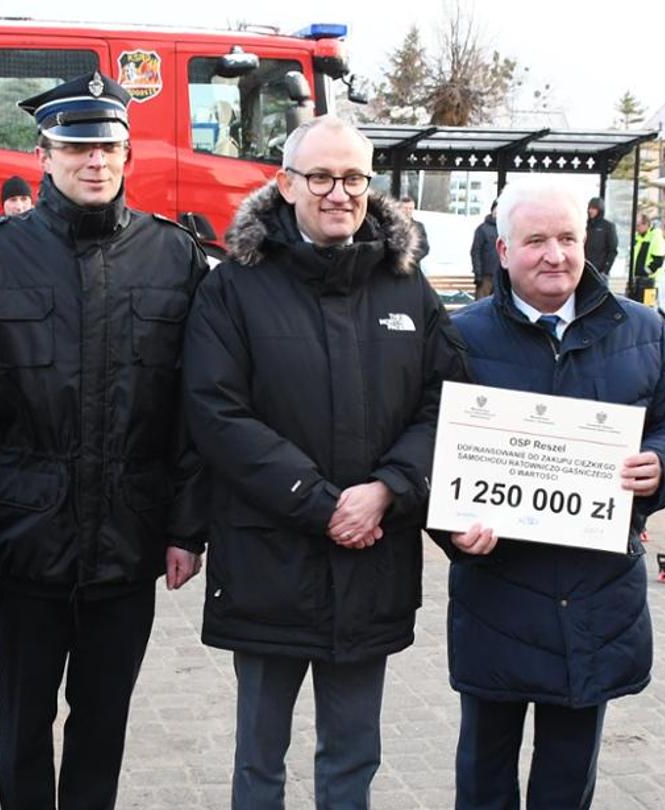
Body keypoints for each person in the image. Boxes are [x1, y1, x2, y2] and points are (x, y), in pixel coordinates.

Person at [183, 115, 466, 809]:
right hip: (269, 562)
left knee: (352, 757)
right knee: (259, 761)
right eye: (320, 177)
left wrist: (390, 489)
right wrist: (321, 502)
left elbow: (446, 398)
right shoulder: (235, 286)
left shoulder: (407, 287)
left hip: (372, 562)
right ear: (285, 184)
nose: (338, 192)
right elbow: (215, 410)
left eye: (353, 178)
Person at [0, 71, 208, 810]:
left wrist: (187, 526)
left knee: (104, 724)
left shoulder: (174, 256)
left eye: (109, 147)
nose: (95, 162)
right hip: (22, 544)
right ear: (44, 153)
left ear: (128, 155)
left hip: (127, 545)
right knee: (23, 724)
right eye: (77, 147)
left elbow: (195, 406)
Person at [446, 182, 665, 809]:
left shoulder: (643, 330)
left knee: (569, 775)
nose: (555, 255)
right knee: (484, 771)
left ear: (586, 243)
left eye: (567, 238)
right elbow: (426, 438)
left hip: (595, 592)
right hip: (498, 589)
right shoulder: (460, 336)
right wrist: (449, 527)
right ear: (504, 250)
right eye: (536, 241)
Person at [628, 214, 665, 304]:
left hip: (649, 282)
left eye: (638, 225)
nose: (636, 228)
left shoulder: (655, 236)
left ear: (646, 224)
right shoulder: (638, 236)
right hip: (636, 280)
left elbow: (658, 261)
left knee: (647, 307)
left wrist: (645, 272)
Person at [469, 200, 499, 298]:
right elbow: (475, 252)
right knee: (481, 305)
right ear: (492, 210)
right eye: (497, 208)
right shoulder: (482, 229)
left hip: (501, 276)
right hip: (485, 276)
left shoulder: (506, 229)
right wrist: (478, 274)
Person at [584, 195, 619, 278]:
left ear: (599, 210)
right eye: (590, 208)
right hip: (585, 270)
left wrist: (605, 271)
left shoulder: (608, 226)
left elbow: (613, 250)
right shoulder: (586, 225)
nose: (590, 211)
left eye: (593, 208)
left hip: (600, 273)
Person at [398, 196, 431, 267]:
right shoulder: (393, 226)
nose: (408, 211)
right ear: (399, 209)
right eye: (405, 208)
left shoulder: (419, 227)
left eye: (410, 208)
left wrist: (410, 259)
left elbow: (425, 248)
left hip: (413, 266)